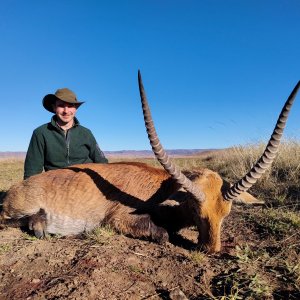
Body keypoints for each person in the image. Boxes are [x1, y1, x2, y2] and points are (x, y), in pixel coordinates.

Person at [24, 88, 108, 179]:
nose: (66, 111)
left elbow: (101, 162)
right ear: (54, 107)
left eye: (70, 106)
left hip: (85, 183)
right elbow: (32, 170)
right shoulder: (40, 133)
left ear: (75, 109)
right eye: (61, 105)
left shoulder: (86, 133)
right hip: (56, 184)